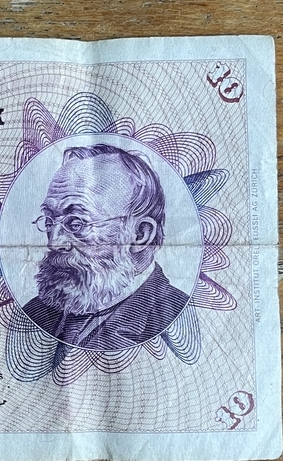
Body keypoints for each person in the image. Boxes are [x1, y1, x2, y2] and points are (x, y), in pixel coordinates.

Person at [21, 143, 189, 350]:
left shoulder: (174, 320)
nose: (55, 242)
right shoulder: (34, 313)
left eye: (76, 223)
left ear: (140, 235)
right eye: (49, 221)